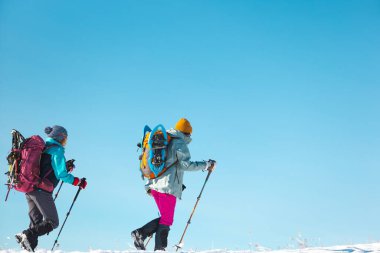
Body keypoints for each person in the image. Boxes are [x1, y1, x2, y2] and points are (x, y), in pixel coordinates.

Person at [131, 118, 216, 251]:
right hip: (167, 188)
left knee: (165, 218)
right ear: (187, 133)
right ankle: (149, 240)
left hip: (153, 186)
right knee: (167, 220)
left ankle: (149, 240)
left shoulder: (165, 138)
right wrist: (205, 165)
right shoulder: (179, 143)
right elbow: (185, 165)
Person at [15, 125, 87, 252]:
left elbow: (45, 167)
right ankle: (26, 234)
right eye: (65, 139)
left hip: (30, 189)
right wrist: (78, 181)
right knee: (52, 222)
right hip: (42, 191)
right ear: (59, 137)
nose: (65, 142)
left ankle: (29, 247)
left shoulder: (42, 147)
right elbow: (61, 174)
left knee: (35, 225)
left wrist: (64, 166)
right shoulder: (57, 150)